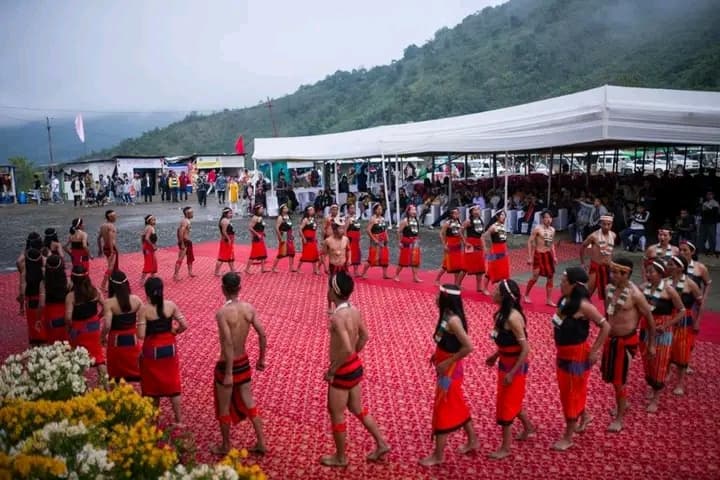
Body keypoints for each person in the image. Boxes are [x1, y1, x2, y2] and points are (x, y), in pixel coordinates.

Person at [321, 271, 389, 467]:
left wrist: (333, 369)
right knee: (357, 408)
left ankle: (341, 457)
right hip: (354, 366)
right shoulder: (354, 310)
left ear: (333, 291)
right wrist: (353, 356)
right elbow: (364, 337)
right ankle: (381, 443)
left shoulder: (337, 317)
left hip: (342, 369)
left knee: (337, 413)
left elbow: (347, 347)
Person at [551, 267, 610, 451]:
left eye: (564, 280)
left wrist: (594, 351)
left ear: (575, 285)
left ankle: (568, 436)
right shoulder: (563, 300)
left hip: (577, 355)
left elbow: (605, 326)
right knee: (567, 389)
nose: (561, 283)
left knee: (571, 393)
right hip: (563, 353)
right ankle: (585, 415)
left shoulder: (584, 306)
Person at [420, 284, 477, 466]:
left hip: (449, 372)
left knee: (443, 406)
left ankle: (438, 455)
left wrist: (447, 362)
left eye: (439, 295)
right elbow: (446, 341)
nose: (435, 298)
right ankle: (473, 440)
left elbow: (468, 347)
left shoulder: (453, 320)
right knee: (456, 402)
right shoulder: (446, 315)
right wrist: (437, 356)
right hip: (445, 367)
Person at [212, 272, 267, 456]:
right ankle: (261, 441)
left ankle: (225, 445)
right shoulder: (248, 309)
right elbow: (262, 334)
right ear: (240, 288)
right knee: (249, 401)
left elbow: (227, 342)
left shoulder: (222, 313)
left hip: (227, 364)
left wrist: (228, 373)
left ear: (222, 290)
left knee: (224, 406)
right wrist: (261, 358)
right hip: (244, 362)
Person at [601, 257, 655, 433]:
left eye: (616, 273)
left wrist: (652, 344)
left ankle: (619, 418)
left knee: (619, 381)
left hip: (626, 342)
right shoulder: (609, 289)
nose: (612, 275)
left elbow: (649, 318)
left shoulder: (635, 294)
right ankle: (624, 403)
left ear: (627, 274)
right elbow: (607, 315)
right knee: (612, 378)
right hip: (611, 340)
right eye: (612, 272)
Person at [485, 279, 534, 459]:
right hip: (505, 362)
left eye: (496, 290)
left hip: (515, 366)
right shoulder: (500, 315)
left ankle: (506, 448)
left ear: (503, 296)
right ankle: (529, 427)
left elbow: (525, 349)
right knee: (510, 398)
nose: (492, 292)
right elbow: (506, 341)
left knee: (506, 403)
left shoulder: (513, 317)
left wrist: (512, 373)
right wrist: (496, 355)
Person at [137, 277, 188, 423]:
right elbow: (184, 325)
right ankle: (179, 420)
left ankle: (154, 420)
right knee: (173, 384)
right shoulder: (171, 305)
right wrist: (174, 331)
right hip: (169, 348)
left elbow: (140, 335)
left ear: (147, 293)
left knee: (152, 386)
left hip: (151, 350)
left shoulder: (144, 310)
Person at [640, 261, 684, 413]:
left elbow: (682, 311)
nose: (648, 274)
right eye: (647, 272)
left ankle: (656, 397)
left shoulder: (669, 290)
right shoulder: (643, 288)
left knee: (660, 362)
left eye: (651, 272)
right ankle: (653, 385)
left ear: (660, 273)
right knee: (647, 361)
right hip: (645, 329)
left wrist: (666, 325)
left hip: (662, 331)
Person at [666, 255, 703, 396]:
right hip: (668, 319)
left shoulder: (690, 284)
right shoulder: (665, 282)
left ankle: (680, 383)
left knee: (682, 352)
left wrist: (697, 320)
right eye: (668, 264)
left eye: (671, 265)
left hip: (684, 321)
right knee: (666, 349)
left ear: (680, 267)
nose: (668, 267)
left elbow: (699, 303)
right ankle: (665, 374)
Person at [65, 265, 107, 386]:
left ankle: (81, 388)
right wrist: (98, 317)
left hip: (78, 330)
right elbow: (105, 307)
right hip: (93, 329)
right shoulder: (95, 291)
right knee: (98, 357)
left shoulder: (71, 296)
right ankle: (105, 386)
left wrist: (69, 328)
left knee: (77, 359)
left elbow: (68, 317)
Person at [102, 270, 142, 383]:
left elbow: (107, 325)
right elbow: (144, 317)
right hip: (133, 340)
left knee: (116, 374)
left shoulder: (109, 303)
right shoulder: (136, 299)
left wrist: (101, 337)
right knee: (137, 370)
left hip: (115, 342)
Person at [524, 210, 557, 305]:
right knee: (535, 277)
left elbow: (552, 244)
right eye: (546, 217)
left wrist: (554, 256)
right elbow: (530, 242)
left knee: (550, 277)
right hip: (538, 254)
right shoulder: (538, 229)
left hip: (548, 255)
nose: (548, 219)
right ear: (543, 219)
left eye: (550, 217)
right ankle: (526, 294)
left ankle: (549, 300)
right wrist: (530, 257)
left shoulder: (552, 230)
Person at [580, 215, 616, 301]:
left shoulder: (613, 235)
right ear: (600, 224)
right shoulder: (593, 236)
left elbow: (610, 252)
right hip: (596, 266)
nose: (606, 226)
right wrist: (582, 262)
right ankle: (582, 309)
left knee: (608, 293)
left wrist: (612, 264)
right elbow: (583, 246)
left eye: (609, 224)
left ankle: (607, 314)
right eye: (604, 224)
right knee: (589, 291)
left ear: (612, 224)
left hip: (608, 267)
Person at [323, 217, 350, 314]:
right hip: (333, 266)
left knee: (344, 286)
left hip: (343, 266)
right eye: (340, 228)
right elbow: (323, 254)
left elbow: (348, 249)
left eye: (343, 228)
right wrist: (325, 267)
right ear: (334, 229)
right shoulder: (328, 241)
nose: (343, 230)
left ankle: (342, 304)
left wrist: (349, 259)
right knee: (331, 287)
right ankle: (329, 305)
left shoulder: (346, 239)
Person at [43, 254, 70, 344]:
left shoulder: (44, 283)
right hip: (65, 312)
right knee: (66, 340)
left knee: (51, 339)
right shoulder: (67, 282)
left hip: (50, 312)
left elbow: (42, 304)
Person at [22, 247, 46, 345]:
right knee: (42, 321)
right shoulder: (43, 271)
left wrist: (21, 303)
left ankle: (34, 341)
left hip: (30, 301)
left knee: (32, 323)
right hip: (42, 300)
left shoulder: (25, 272)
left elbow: (22, 290)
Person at [434, 207, 465, 285]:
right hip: (450, 245)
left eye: (458, 213)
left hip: (458, 246)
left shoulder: (459, 222)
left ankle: (456, 283)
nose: (457, 214)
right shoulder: (447, 223)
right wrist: (444, 245)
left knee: (458, 265)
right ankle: (437, 279)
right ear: (451, 214)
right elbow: (441, 234)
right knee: (445, 265)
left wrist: (464, 242)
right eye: (455, 213)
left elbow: (460, 234)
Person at [482, 210, 510, 294]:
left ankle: (501, 289)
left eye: (504, 215)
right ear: (497, 217)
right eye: (501, 215)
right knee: (492, 270)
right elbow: (484, 236)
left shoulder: (503, 226)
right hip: (495, 250)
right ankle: (485, 288)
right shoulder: (493, 227)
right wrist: (486, 248)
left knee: (503, 270)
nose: (503, 217)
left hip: (503, 249)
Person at [459, 206, 486, 292]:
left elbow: (481, 235)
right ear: (471, 212)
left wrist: (484, 246)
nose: (477, 211)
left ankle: (479, 287)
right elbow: (460, 231)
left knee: (480, 266)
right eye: (475, 210)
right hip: (470, 244)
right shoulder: (468, 221)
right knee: (466, 266)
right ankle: (457, 284)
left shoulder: (481, 221)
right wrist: (465, 242)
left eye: (478, 209)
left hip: (479, 244)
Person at [360, 204, 390, 279]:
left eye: (381, 209)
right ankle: (363, 273)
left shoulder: (382, 219)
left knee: (384, 257)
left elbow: (385, 229)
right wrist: (374, 239)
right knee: (372, 258)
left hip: (383, 240)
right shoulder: (373, 219)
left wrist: (387, 237)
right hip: (375, 240)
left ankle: (385, 274)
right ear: (375, 210)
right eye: (378, 209)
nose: (380, 211)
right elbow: (368, 230)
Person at [16, 233, 43, 316]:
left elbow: (18, 262)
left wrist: (21, 271)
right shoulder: (43, 253)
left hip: (30, 292)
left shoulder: (26, 253)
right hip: (43, 293)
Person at [394, 204, 422, 282]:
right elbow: (399, 231)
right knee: (403, 260)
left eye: (415, 210)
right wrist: (399, 242)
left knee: (415, 260)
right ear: (408, 211)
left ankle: (415, 277)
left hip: (415, 242)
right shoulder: (405, 221)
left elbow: (417, 232)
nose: (414, 211)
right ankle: (396, 275)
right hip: (407, 241)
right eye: (412, 210)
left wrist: (418, 239)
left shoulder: (417, 220)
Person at [97, 210, 119, 291]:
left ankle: (111, 284)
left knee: (111, 267)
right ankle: (103, 285)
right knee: (111, 268)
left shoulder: (103, 226)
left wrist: (99, 249)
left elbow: (98, 238)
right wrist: (112, 250)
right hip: (111, 249)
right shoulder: (111, 226)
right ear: (110, 217)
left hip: (105, 248)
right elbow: (110, 239)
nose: (116, 217)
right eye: (114, 216)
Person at [270, 204, 296, 272]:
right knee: (281, 252)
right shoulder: (280, 217)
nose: (286, 209)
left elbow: (290, 226)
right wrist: (280, 237)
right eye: (284, 208)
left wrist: (291, 234)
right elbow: (277, 228)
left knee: (291, 252)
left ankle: (291, 267)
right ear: (282, 210)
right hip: (284, 235)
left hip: (289, 235)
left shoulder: (288, 217)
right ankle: (273, 268)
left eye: (286, 207)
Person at [245, 205, 270, 274]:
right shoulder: (255, 218)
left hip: (260, 236)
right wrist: (257, 234)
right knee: (254, 253)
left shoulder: (260, 217)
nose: (262, 210)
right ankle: (247, 269)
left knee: (263, 252)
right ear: (257, 210)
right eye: (261, 209)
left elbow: (259, 226)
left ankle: (263, 268)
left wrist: (263, 232)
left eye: (262, 209)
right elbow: (250, 228)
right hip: (256, 237)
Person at [296, 206, 321, 274]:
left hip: (313, 239)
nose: (312, 211)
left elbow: (315, 230)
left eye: (313, 210)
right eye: (310, 210)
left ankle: (315, 270)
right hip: (307, 239)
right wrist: (303, 238)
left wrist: (315, 238)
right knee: (305, 254)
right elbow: (300, 229)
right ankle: (298, 268)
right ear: (307, 211)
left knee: (315, 254)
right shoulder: (305, 220)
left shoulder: (314, 219)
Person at [174, 207, 196, 280]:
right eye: (191, 212)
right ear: (187, 213)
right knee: (180, 259)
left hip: (187, 241)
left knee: (190, 258)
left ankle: (190, 272)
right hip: (184, 242)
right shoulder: (185, 221)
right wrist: (182, 243)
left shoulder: (187, 221)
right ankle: (175, 275)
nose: (192, 213)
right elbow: (180, 232)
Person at [215, 207, 236, 276]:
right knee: (222, 257)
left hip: (229, 239)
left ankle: (233, 270)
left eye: (231, 213)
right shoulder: (224, 221)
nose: (231, 214)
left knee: (230, 255)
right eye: (230, 213)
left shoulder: (227, 220)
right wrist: (229, 239)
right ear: (225, 214)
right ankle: (216, 272)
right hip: (226, 241)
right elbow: (224, 232)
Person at [699, 191, 719, 256]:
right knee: (702, 237)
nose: (708, 196)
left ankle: (712, 251)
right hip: (704, 222)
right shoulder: (704, 203)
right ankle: (701, 251)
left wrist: (706, 209)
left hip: (711, 223)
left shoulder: (715, 203)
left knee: (711, 237)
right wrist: (702, 205)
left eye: (710, 194)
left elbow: (714, 213)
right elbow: (702, 212)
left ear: (713, 195)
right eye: (707, 194)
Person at [345, 203, 362, 276]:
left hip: (356, 239)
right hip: (350, 239)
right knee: (349, 254)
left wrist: (359, 237)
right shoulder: (348, 219)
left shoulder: (356, 218)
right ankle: (346, 270)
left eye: (354, 208)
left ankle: (356, 271)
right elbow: (345, 230)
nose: (353, 209)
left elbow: (358, 229)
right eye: (351, 208)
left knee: (357, 254)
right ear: (348, 209)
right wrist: (346, 239)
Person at [140, 215, 158, 284]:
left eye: (154, 219)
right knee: (149, 263)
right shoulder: (150, 228)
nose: (154, 221)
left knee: (153, 262)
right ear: (148, 221)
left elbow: (142, 236)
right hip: (148, 248)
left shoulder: (147, 227)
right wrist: (153, 245)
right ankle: (142, 280)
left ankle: (153, 277)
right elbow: (147, 238)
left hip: (147, 247)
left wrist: (143, 245)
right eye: (153, 220)